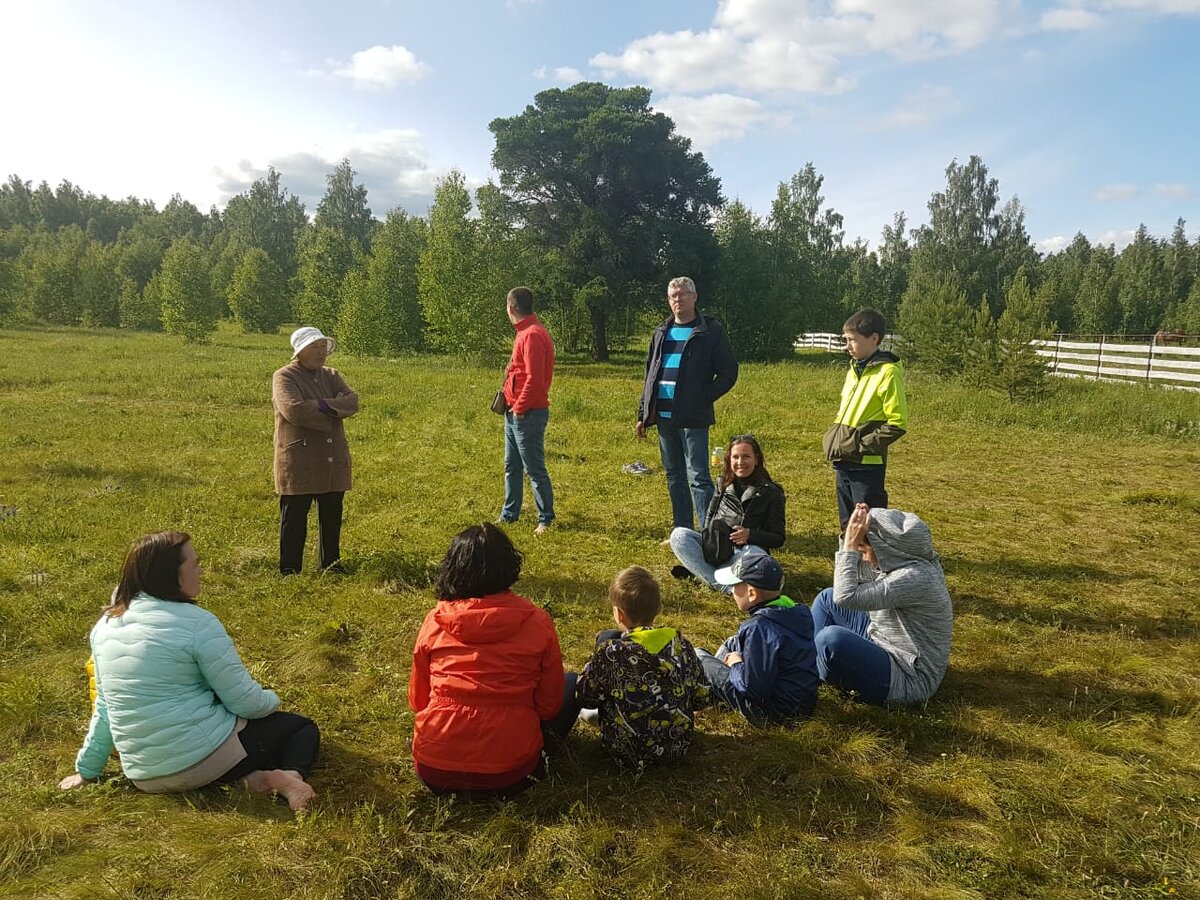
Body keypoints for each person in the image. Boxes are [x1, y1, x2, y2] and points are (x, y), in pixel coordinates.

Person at [58, 532, 319, 811]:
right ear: (172, 575)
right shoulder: (198, 624)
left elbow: (105, 707)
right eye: (194, 564)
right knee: (300, 729)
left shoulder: (104, 627)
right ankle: (288, 779)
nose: (201, 571)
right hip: (200, 761)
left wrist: (87, 770)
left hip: (143, 775)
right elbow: (245, 702)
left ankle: (253, 779)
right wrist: (273, 698)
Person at [408, 524, 576, 799]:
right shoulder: (537, 621)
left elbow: (418, 700)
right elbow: (548, 707)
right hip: (510, 774)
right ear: (509, 566)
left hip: (434, 771)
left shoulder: (435, 621)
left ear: (454, 567)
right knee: (572, 683)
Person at [811, 504, 953, 706]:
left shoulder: (915, 578)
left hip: (907, 677)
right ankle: (803, 665)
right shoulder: (905, 560)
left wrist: (851, 546)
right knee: (827, 598)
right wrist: (849, 538)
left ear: (885, 549)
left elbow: (846, 596)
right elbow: (854, 578)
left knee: (830, 641)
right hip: (883, 640)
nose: (863, 557)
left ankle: (802, 670)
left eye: (865, 550)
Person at [574, 566, 709, 770]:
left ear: (619, 614)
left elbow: (585, 697)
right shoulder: (682, 645)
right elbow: (702, 699)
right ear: (658, 609)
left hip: (625, 752)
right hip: (678, 746)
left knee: (587, 708)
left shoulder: (611, 652)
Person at [636, 276, 738, 534]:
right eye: (673, 296)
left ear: (694, 297)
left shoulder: (709, 331)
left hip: (693, 417)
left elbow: (729, 371)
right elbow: (650, 374)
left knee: (699, 478)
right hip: (664, 416)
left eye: (682, 294)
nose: (678, 300)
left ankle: (706, 533)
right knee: (674, 476)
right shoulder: (661, 332)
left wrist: (703, 397)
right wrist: (643, 413)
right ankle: (682, 531)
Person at [694, 550, 818, 726]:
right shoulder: (797, 611)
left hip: (772, 715)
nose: (731, 591)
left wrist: (736, 664)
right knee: (733, 642)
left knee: (699, 656)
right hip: (801, 706)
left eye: (734, 585)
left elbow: (753, 690)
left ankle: (700, 698)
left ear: (751, 593)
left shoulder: (759, 627)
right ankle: (715, 695)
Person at [273, 326, 360, 575]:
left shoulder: (331, 375)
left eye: (323, 347)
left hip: (332, 460)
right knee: (294, 517)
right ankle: (289, 569)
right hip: (299, 459)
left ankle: (331, 565)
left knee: (331, 516)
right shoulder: (284, 377)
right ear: (300, 351)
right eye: (315, 347)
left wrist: (321, 404)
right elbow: (295, 410)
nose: (321, 352)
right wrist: (333, 413)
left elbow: (352, 401)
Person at [822, 308, 907, 530]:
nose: (847, 346)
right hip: (843, 459)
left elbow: (897, 423)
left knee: (868, 523)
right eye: (845, 340)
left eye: (852, 340)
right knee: (847, 523)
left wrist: (861, 446)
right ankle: (850, 560)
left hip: (865, 465)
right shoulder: (853, 370)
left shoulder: (887, 372)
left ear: (874, 339)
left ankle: (873, 562)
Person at [668, 435, 786, 590]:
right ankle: (728, 588)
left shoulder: (772, 492)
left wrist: (750, 534)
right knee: (679, 535)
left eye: (746, 457)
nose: (740, 462)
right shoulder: (722, 484)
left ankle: (707, 576)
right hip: (718, 550)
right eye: (735, 457)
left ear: (756, 459)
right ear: (729, 459)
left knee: (754, 555)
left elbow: (778, 538)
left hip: (746, 553)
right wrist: (712, 540)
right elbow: (708, 524)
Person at [497, 287, 556, 534]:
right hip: (514, 411)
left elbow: (535, 379)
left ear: (511, 307)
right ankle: (510, 513)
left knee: (534, 468)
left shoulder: (531, 335)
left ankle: (545, 518)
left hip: (527, 413)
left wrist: (520, 408)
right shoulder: (524, 332)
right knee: (512, 465)